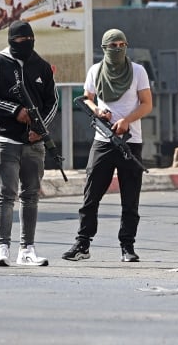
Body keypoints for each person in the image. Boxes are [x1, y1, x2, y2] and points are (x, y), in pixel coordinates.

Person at [62, 28, 152, 263]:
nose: (118, 49)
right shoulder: (95, 71)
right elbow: (86, 99)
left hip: (130, 142)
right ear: (104, 48)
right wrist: (98, 111)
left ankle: (127, 246)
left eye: (122, 45)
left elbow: (146, 104)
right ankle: (82, 243)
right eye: (113, 46)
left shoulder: (138, 71)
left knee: (130, 199)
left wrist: (126, 121)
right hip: (103, 141)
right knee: (91, 196)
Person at [0, 21, 58, 267]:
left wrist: (39, 128)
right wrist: (15, 111)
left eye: (30, 40)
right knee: (6, 194)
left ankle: (27, 249)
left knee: (31, 195)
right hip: (5, 139)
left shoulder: (41, 66)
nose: (26, 44)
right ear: (11, 41)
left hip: (34, 143)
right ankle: (2, 247)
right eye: (21, 41)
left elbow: (52, 102)